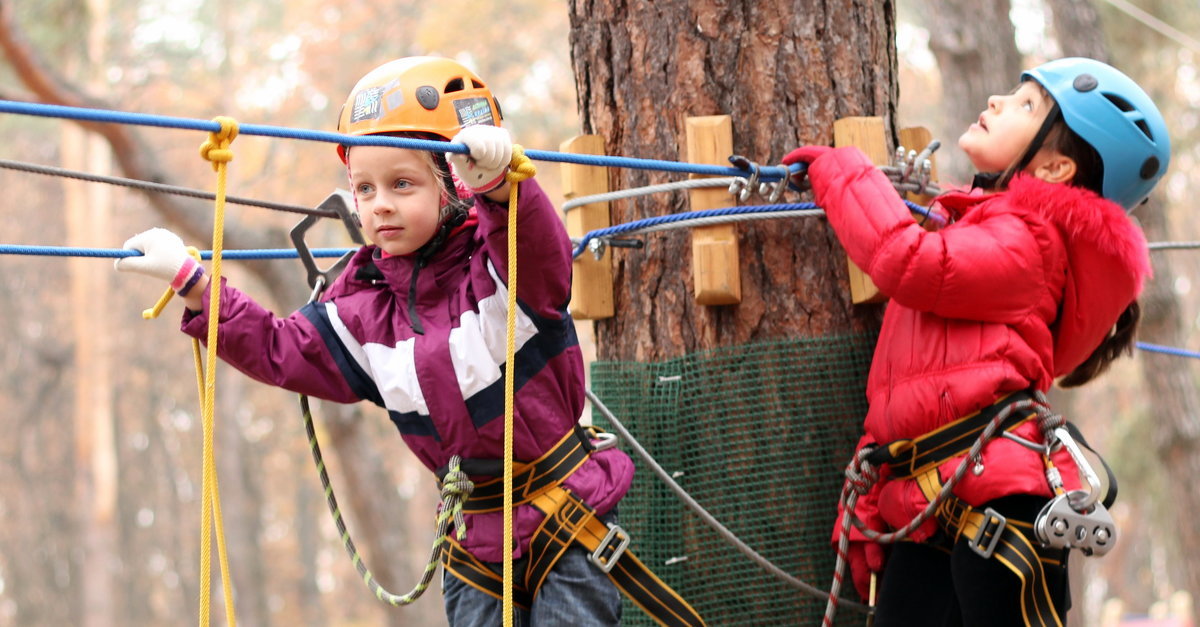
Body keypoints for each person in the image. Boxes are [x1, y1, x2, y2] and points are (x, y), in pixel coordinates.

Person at [116, 56, 646, 626]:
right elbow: (279, 349)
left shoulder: (503, 268)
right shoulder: (362, 309)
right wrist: (196, 286)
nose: (380, 204)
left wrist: (502, 185)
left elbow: (534, 244)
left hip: (567, 525)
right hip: (475, 549)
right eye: (364, 189)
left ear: (454, 187)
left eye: (402, 184)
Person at [782, 57, 1170, 626]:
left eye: (1025, 105)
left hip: (999, 506)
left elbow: (907, 261)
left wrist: (844, 173)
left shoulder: (1030, 243)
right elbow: (909, 388)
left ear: (1057, 167)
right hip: (939, 502)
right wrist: (876, 490)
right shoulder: (977, 228)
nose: (997, 101)